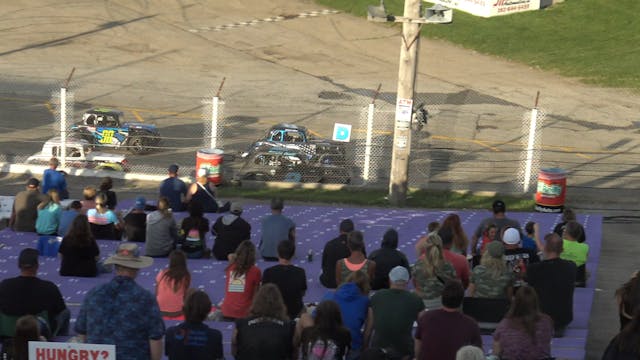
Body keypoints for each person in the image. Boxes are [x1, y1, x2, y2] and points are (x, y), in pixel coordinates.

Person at [75, 242, 165, 360]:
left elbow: (82, 333)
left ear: (115, 266)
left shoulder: (94, 294)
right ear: (137, 268)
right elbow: (155, 338)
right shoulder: (145, 298)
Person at [0, 248, 69, 337]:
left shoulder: (4, 285)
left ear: (18, 265)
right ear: (37, 266)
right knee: (65, 312)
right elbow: (61, 309)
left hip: (9, 332)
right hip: (40, 333)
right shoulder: (49, 287)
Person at [414, 280, 482, 360]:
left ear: (442, 297)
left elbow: (418, 345)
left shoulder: (426, 318)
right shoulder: (471, 324)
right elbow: (478, 353)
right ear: (461, 300)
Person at [526, 233, 577, 337]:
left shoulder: (534, 269)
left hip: (540, 319)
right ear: (562, 250)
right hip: (562, 320)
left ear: (545, 248)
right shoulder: (571, 267)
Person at [370, 266, 425, 359]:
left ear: (390, 279)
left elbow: (369, 327)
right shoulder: (416, 300)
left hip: (378, 351)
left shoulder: (376, 296)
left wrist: (364, 347)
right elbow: (424, 329)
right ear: (407, 281)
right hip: (405, 351)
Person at [232, 284, 296, 360]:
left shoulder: (241, 324)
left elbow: (234, 350)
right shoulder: (289, 326)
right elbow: (294, 354)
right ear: (280, 303)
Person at [321, 271, 373, 359]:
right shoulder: (365, 301)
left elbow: (315, 318)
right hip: (352, 345)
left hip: (328, 344)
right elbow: (368, 330)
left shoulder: (329, 294)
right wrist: (364, 347)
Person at [492, 286, 553, 360]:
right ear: (536, 302)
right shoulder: (546, 321)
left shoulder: (505, 323)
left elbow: (496, 352)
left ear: (515, 302)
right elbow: (547, 343)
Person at [165, 290, 224, 360]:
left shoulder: (170, 332)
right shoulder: (215, 336)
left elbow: (168, 353)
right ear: (207, 311)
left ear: (184, 309)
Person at [262, 240, 307, 320]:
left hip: (274, 312)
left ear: (278, 254)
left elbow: (263, 294)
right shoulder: (300, 272)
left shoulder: (268, 272)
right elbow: (302, 293)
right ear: (293, 255)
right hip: (294, 312)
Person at [412, 232, 456, 309]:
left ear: (425, 248)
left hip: (423, 304)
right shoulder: (448, 266)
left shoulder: (418, 265)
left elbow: (415, 284)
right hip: (442, 304)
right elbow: (453, 285)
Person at [221, 240, 262, 320]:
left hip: (227, 311)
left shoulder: (230, 268)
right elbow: (256, 294)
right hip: (244, 313)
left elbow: (230, 256)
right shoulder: (256, 271)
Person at [156, 250, 191, 319]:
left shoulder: (162, 274)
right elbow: (185, 294)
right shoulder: (186, 276)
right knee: (192, 291)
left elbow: (156, 292)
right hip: (178, 311)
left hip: (160, 310)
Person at [320, 219, 354, 289]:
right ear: (353, 232)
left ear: (340, 230)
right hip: (350, 282)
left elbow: (324, 264)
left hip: (329, 282)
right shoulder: (356, 245)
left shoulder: (330, 244)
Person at [560, 220, 589, 287]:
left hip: (561, 279)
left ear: (565, 232)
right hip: (578, 281)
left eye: (564, 230)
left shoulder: (559, 243)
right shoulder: (585, 247)